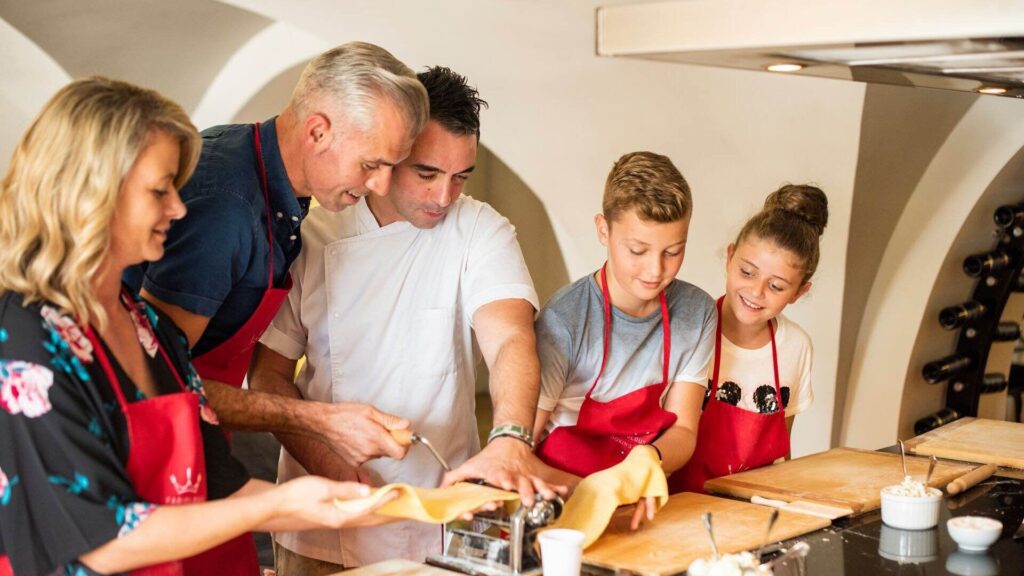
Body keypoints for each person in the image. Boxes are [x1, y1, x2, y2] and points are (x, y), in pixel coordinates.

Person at [0, 77, 397, 576]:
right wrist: (280, 506)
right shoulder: (24, 340)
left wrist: (336, 501)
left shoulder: (144, 325)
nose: (179, 208)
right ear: (90, 192)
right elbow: (101, 538)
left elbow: (219, 480)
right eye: (159, 190)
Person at [124, 42, 429, 572]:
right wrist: (321, 422)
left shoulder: (269, 177)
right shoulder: (227, 210)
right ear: (317, 131)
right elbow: (162, 380)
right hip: (154, 461)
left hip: (203, 443)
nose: (380, 184)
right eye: (371, 164)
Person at [251, 66, 559, 572]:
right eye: (427, 174)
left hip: (443, 519)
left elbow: (508, 338)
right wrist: (332, 463)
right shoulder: (314, 231)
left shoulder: (480, 229)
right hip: (326, 522)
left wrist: (509, 438)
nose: (444, 198)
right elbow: (268, 376)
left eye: (461, 177)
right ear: (391, 152)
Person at [532, 151, 715, 525]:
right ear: (604, 230)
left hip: (641, 508)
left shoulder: (697, 313)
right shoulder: (564, 320)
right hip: (562, 509)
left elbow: (683, 429)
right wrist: (593, 496)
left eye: (673, 252)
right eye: (637, 250)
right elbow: (520, 446)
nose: (655, 270)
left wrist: (649, 462)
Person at [668, 184, 828, 494]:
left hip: (756, 513)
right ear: (729, 257)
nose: (756, 292)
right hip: (681, 508)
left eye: (777, 286)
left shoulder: (796, 347)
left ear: (799, 292)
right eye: (747, 271)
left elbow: (783, 453)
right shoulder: (689, 332)